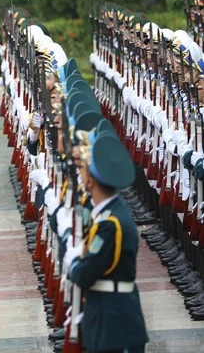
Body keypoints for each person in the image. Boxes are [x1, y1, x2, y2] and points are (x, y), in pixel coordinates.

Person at [64, 134, 149, 353]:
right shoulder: (108, 213)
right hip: (107, 319)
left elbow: (84, 274)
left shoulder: (110, 224)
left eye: (82, 169)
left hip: (115, 326)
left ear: (91, 180)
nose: (79, 173)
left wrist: (73, 260)